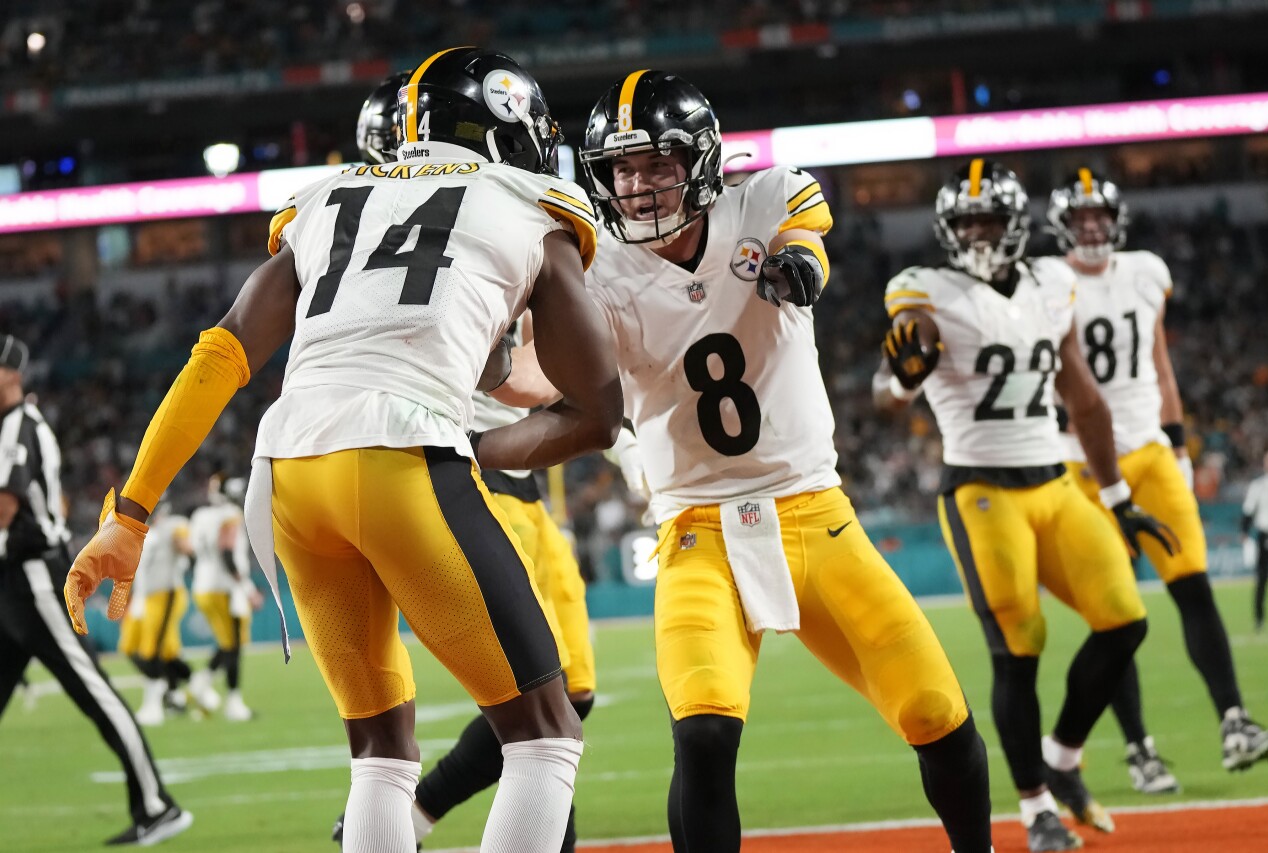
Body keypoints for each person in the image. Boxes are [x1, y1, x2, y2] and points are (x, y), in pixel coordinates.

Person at [63, 47, 622, 853]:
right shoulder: (529, 201)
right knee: (544, 732)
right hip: (401, 456)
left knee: (381, 756)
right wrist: (486, 441)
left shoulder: (325, 197)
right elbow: (600, 409)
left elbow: (218, 357)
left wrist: (132, 512)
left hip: (286, 475)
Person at [502, 70, 993, 853]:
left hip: (813, 511)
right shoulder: (599, 268)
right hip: (698, 530)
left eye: (657, 163)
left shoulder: (766, 201)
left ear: (698, 159)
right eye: (622, 169)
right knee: (702, 729)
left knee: (935, 708)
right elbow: (539, 374)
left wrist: (799, 268)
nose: (638, 185)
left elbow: (807, 242)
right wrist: (486, 364)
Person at [330, 75, 598, 852]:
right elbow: (502, 371)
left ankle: (409, 813)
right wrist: (588, 380)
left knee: (561, 698)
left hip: (498, 481)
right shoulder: (469, 223)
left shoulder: (387, 225)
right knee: (547, 710)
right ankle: (413, 812)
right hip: (475, 476)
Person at [879, 160, 1174, 852]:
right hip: (982, 489)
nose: (978, 233)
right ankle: (1035, 804)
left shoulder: (1050, 281)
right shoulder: (926, 288)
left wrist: (1119, 496)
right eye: (967, 222)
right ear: (949, 231)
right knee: (1018, 649)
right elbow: (892, 382)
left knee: (1125, 620)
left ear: (1015, 225)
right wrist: (902, 379)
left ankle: (1063, 759)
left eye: (989, 220)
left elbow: (1085, 398)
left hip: (1055, 481)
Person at [1047, 170, 1268, 784]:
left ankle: (1234, 721)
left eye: (1100, 216)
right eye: (1081, 218)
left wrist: (1178, 447)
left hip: (1151, 452)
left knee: (1193, 584)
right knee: (1117, 614)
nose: (1092, 227)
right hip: (1080, 463)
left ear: (1116, 219)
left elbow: (1161, 366)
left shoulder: (1147, 270)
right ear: (1063, 226)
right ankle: (1138, 749)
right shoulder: (1048, 282)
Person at [0, 334, 193, 846]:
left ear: (11, 374)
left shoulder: (20, 426)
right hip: (11, 579)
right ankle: (155, 806)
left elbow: (6, 504)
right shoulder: (12, 426)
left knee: (94, 691)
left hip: (31, 578)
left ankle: (157, 805)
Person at [117, 497, 197, 725]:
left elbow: (187, 546)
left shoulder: (172, 525)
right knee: (130, 646)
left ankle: (158, 702)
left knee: (153, 650)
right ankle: (186, 685)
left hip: (166, 593)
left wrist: (192, 547)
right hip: (144, 597)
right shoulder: (138, 532)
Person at [188, 472, 257, 721]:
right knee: (234, 645)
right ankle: (232, 702)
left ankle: (202, 683)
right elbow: (227, 553)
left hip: (202, 585)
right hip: (225, 588)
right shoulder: (230, 516)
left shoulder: (199, 516)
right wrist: (248, 588)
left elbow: (192, 552)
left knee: (229, 644)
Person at [1243, 449, 1268, 632]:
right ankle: (1259, 618)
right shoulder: (1258, 486)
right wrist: (1244, 531)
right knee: (1262, 578)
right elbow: (1248, 510)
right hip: (1264, 534)